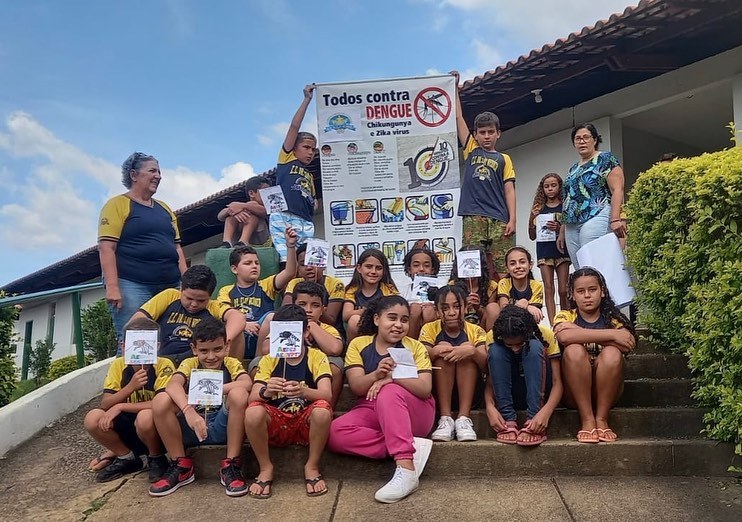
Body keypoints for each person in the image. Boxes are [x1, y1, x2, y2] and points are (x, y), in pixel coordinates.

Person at [328, 296, 435, 504]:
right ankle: (411, 446)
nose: (398, 325)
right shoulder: (359, 344)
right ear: (377, 319)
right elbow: (358, 387)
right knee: (334, 433)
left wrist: (392, 378)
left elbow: (424, 389)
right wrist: (377, 374)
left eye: (404, 320)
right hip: (371, 407)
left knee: (389, 392)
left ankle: (406, 468)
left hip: (414, 410)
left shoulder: (415, 347)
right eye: (392, 318)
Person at [149, 317, 252, 497]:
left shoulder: (231, 363)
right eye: (204, 351)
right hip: (193, 426)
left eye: (217, 349)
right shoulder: (189, 364)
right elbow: (172, 385)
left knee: (239, 394)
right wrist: (188, 411)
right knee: (161, 400)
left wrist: (210, 389)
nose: (211, 356)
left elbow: (247, 383)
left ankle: (232, 464)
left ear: (227, 346)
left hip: (222, 425)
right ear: (194, 349)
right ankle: (181, 465)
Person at [245, 305, 333, 499]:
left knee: (322, 410)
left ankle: (312, 465)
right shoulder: (269, 360)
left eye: (294, 332)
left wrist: (304, 391)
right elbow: (252, 397)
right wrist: (266, 390)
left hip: (304, 421)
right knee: (252, 411)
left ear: (305, 331)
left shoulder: (316, 356)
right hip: (277, 421)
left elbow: (327, 395)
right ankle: (266, 467)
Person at [98, 152, 187, 342]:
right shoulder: (117, 204)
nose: (158, 176)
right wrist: (113, 287)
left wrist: (187, 281)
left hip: (169, 284)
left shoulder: (165, 209)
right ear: (134, 175)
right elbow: (106, 248)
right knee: (134, 338)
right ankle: (126, 373)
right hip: (132, 283)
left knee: (171, 337)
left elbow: (177, 248)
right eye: (152, 171)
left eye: (159, 172)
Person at [84, 317, 174, 483]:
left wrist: (120, 406)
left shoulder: (164, 365)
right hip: (127, 427)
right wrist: (130, 387)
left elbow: (164, 403)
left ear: (157, 347)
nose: (140, 349)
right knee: (93, 418)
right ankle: (126, 457)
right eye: (135, 344)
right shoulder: (119, 365)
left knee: (145, 416)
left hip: (155, 427)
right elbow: (105, 403)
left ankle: (156, 457)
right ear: (124, 347)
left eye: (146, 345)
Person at [553, 267, 636, 443]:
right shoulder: (565, 316)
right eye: (581, 291)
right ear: (572, 295)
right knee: (574, 350)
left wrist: (578, 332)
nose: (587, 296)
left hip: (608, 393)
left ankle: (601, 419)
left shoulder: (614, 319)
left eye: (592, 290)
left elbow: (627, 343)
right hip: (573, 394)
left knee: (613, 353)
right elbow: (564, 336)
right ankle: (587, 420)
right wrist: (613, 335)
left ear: (603, 291)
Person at [451, 70, 516, 279]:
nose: (486, 136)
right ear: (476, 134)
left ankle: (507, 305)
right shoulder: (470, 148)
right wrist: (454, 87)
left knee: (504, 266)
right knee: (470, 264)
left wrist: (512, 219)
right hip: (473, 216)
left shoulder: (504, 158)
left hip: (499, 217)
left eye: (490, 132)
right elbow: (458, 117)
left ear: (498, 133)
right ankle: (473, 306)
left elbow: (509, 190)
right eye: (482, 132)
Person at [131, 265, 246, 364]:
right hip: (162, 357)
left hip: (197, 359)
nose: (194, 304)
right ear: (181, 289)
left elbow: (238, 317)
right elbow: (137, 320)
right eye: (189, 298)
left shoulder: (212, 306)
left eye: (201, 300)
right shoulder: (170, 296)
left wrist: (223, 341)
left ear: (210, 297)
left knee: (238, 333)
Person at [254, 282, 344, 407]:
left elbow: (335, 349)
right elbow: (265, 349)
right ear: (294, 305)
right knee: (256, 363)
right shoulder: (284, 326)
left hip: (313, 374)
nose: (308, 310)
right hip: (282, 369)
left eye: (315, 305)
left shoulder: (327, 329)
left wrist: (311, 325)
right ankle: (267, 404)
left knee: (336, 364)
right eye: (302, 304)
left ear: (323, 309)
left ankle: (328, 409)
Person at [485, 306, 563, 446]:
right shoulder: (494, 335)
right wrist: (489, 406)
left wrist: (545, 412)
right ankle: (508, 418)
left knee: (533, 347)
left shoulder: (545, 334)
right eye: (509, 345)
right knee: (496, 350)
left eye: (519, 344)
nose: (515, 349)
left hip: (539, 392)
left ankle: (533, 417)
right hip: (512, 390)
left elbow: (558, 382)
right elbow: (491, 381)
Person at [216, 228, 298, 360]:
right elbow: (225, 313)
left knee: (272, 316)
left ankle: (258, 361)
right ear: (234, 269)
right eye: (248, 263)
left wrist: (291, 246)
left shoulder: (265, 285)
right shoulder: (226, 290)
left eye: (257, 263)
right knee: (232, 325)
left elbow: (289, 273)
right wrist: (244, 325)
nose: (254, 266)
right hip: (239, 336)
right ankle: (234, 364)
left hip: (262, 335)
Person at [419, 284, 487, 442]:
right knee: (444, 349)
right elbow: (420, 359)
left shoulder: (475, 330)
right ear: (437, 311)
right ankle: (445, 418)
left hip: (471, 392)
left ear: (465, 308)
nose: (451, 313)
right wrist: (435, 351)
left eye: (456, 306)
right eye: (445, 308)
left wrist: (473, 352)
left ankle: (464, 418)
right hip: (438, 390)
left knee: (466, 350)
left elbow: (485, 364)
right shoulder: (429, 329)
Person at [557, 123, 627, 267]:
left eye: (586, 137)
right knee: (579, 266)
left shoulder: (606, 158)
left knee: (592, 260)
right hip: (571, 222)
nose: (581, 141)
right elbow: (569, 198)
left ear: (595, 140)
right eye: (577, 139)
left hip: (597, 213)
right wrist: (562, 230)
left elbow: (617, 189)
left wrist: (615, 219)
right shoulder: (573, 168)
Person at [269, 84, 318, 263]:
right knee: (287, 260)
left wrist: (314, 202)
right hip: (284, 216)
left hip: (306, 221)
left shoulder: (309, 175)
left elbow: (312, 200)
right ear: (294, 148)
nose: (310, 152)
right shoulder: (286, 158)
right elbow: (294, 126)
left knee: (308, 262)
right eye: (306, 147)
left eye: (313, 149)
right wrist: (307, 100)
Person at [529, 173, 570, 325]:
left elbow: (568, 229)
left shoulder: (565, 206)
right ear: (542, 189)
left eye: (553, 185)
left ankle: (565, 320)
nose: (550, 189)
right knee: (548, 288)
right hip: (544, 251)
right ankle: (554, 324)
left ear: (559, 187)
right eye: (546, 186)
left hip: (561, 250)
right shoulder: (538, 208)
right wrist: (532, 219)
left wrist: (559, 228)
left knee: (564, 289)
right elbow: (532, 235)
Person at [281, 242, 345, 333]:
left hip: (328, 332)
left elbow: (330, 321)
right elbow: (286, 313)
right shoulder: (294, 283)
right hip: (299, 330)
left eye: (313, 262)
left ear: (323, 265)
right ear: (298, 268)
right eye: (303, 264)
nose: (309, 268)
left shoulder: (336, 284)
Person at [342, 248, 399, 341]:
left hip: (381, 328)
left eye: (379, 268)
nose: (373, 271)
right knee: (354, 320)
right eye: (369, 267)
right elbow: (346, 315)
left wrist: (364, 311)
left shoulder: (389, 289)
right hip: (360, 331)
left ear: (384, 270)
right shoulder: (352, 289)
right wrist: (369, 311)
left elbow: (395, 311)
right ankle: (353, 351)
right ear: (359, 268)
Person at [448, 246, 499, 331]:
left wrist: (478, 308)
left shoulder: (491, 286)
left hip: (482, 329)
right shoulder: (452, 286)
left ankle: (490, 342)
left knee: (493, 307)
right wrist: (463, 307)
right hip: (460, 328)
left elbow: (491, 316)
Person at [217, 175, 271, 248]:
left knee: (251, 207)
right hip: (240, 242)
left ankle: (244, 241)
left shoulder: (269, 206)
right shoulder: (240, 208)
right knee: (231, 215)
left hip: (262, 241)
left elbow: (264, 212)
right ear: (251, 193)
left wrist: (242, 206)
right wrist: (233, 209)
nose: (267, 194)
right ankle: (226, 242)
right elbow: (220, 216)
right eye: (264, 191)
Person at [496, 247, 544, 324]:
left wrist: (524, 305)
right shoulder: (504, 283)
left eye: (522, 262)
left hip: (527, 326)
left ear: (530, 265)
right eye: (512, 264)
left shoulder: (537, 285)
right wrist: (526, 305)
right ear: (507, 268)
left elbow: (534, 315)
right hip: (507, 324)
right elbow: (504, 309)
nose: (518, 266)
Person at [401, 247, 440, 339]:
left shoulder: (441, 292)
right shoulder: (402, 293)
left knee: (429, 311)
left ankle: (428, 345)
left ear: (433, 270)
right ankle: (411, 346)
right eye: (416, 265)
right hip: (408, 335)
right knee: (415, 308)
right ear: (409, 269)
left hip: (435, 335)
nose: (421, 269)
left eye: (426, 266)